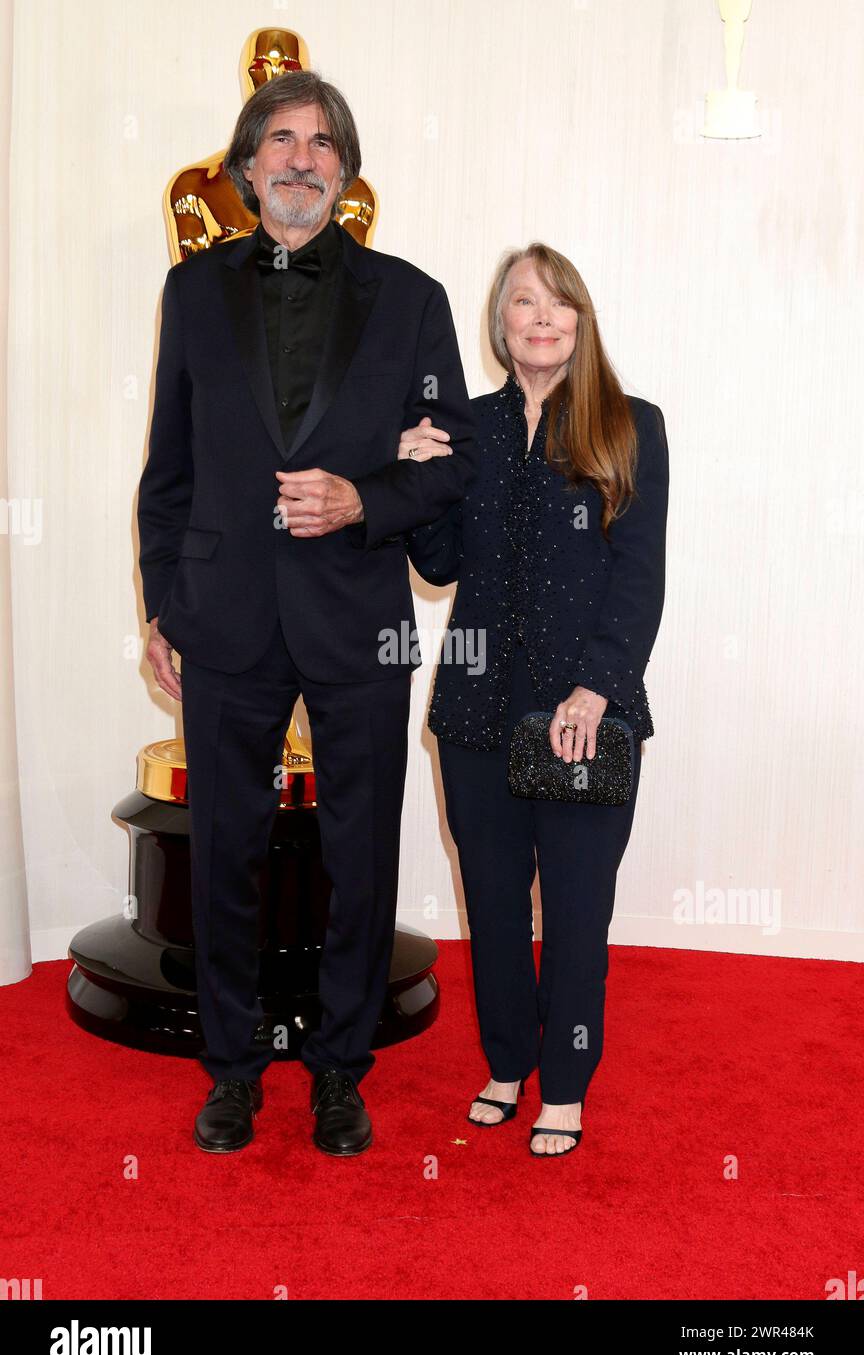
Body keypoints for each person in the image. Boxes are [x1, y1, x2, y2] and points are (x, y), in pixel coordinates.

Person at [137, 71, 476, 1157]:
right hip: (225, 615)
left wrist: (363, 499)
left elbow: (446, 468)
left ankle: (340, 1068)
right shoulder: (191, 295)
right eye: (279, 139)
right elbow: (169, 469)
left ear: (347, 169)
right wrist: (163, 605)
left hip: (360, 616)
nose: (300, 157)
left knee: (359, 855)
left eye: (321, 142)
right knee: (224, 849)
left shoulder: (414, 299)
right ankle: (232, 1068)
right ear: (246, 168)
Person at [406, 243, 668, 1155]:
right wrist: (418, 475)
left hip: (581, 715)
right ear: (501, 324)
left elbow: (639, 580)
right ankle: (508, 1065)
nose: (542, 316)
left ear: (582, 320)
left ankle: (566, 1085)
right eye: (524, 302)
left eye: (559, 301)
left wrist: (597, 688)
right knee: (493, 902)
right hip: (474, 713)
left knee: (577, 907)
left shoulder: (630, 426)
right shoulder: (470, 431)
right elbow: (438, 565)